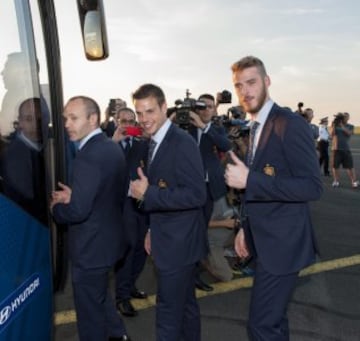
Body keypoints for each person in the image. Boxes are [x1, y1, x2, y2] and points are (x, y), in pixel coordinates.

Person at [225, 56, 323, 341]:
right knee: (274, 322)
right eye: (239, 85)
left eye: (251, 82)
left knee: (262, 326)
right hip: (264, 240)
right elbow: (261, 190)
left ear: (267, 82)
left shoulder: (289, 124)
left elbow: (312, 187)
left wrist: (250, 180)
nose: (245, 91)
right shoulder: (255, 125)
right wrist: (245, 227)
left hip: (283, 246)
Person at [129, 83, 207, 341]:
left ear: (164, 108)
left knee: (168, 314)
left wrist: (148, 194)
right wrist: (152, 228)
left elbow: (197, 195)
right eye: (139, 113)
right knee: (185, 308)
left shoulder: (181, 143)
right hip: (169, 238)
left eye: (150, 111)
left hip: (179, 244)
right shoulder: (153, 142)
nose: (144, 120)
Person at [50, 96, 131, 341]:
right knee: (99, 296)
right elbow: (108, 192)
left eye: (74, 118)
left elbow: (77, 212)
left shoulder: (88, 155)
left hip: (91, 248)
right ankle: (118, 335)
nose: (67, 124)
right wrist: (77, 195)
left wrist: (55, 208)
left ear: (93, 119)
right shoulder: (110, 147)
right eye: (65, 118)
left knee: (89, 316)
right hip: (108, 243)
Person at [188, 93, 232, 291]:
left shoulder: (216, 129)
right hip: (188, 187)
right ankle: (188, 271)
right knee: (189, 230)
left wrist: (203, 127)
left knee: (202, 228)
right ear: (196, 108)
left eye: (209, 106)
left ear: (214, 110)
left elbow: (225, 145)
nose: (206, 109)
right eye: (202, 106)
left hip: (209, 187)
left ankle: (196, 270)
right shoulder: (184, 127)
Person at [112, 107, 149, 317]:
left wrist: (149, 138)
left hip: (142, 201)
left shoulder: (142, 144)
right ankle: (122, 297)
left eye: (130, 121)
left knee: (142, 248)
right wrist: (113, 142)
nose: (127, 125)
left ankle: (131, 285)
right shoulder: (109, 145)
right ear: (116, 121)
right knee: (128, 247)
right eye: (123, 121)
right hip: (122, 203)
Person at [329, 112, 359, 188]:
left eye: (346, 117)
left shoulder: (350, 126)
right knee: (335, 166)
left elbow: (349, 133)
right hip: (336, 149)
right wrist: (334, 125)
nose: (344, 118)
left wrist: (342, 126)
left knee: (350, 167)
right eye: (343, 117)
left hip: (345, 149)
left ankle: (354, 181)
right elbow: (331, 135)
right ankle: (336, 181)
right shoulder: (335, 125)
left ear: (348, 118)